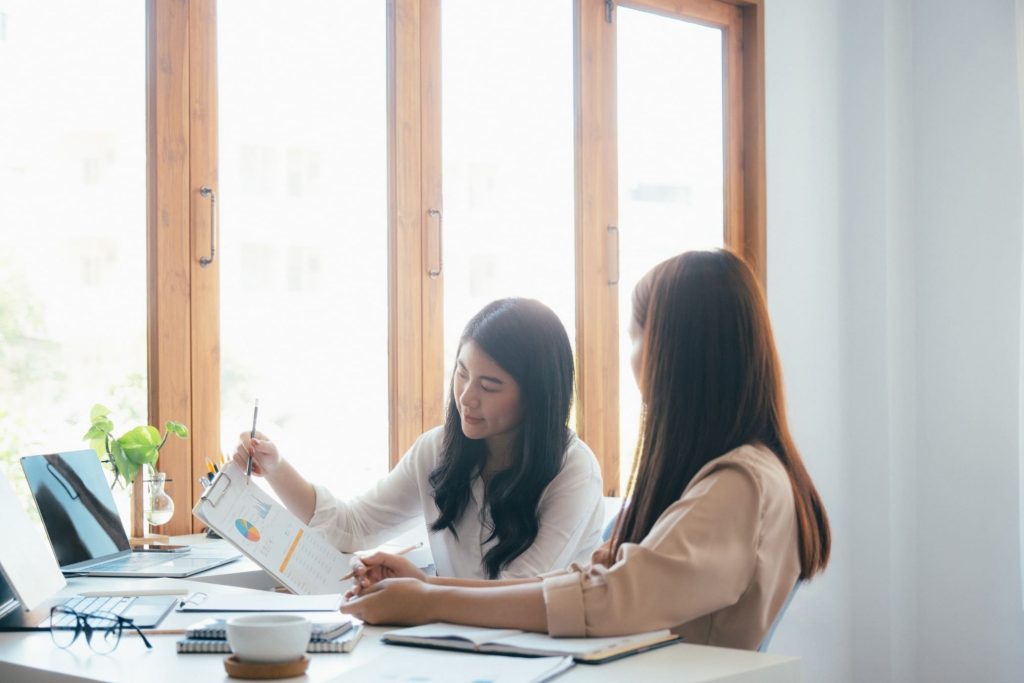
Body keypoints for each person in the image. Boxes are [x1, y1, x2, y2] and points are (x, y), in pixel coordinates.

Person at [339, 249, 832, 650]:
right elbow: (588, 583)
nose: (632, 355)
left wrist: (428, 601)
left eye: (637, 334)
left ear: (679, 352)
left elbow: (607, 599)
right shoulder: (719, 477)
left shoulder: (740, 484)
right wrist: (429, 589)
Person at [233, 297, 604, 580]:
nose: (467, 397)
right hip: (451, 644)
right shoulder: (438, 450)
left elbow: (522, 590)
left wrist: (423, 588)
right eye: (461, 374)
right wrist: (276, 468)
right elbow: (352, 527)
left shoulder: (573, 470)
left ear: (536, 395)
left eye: (490, 385)